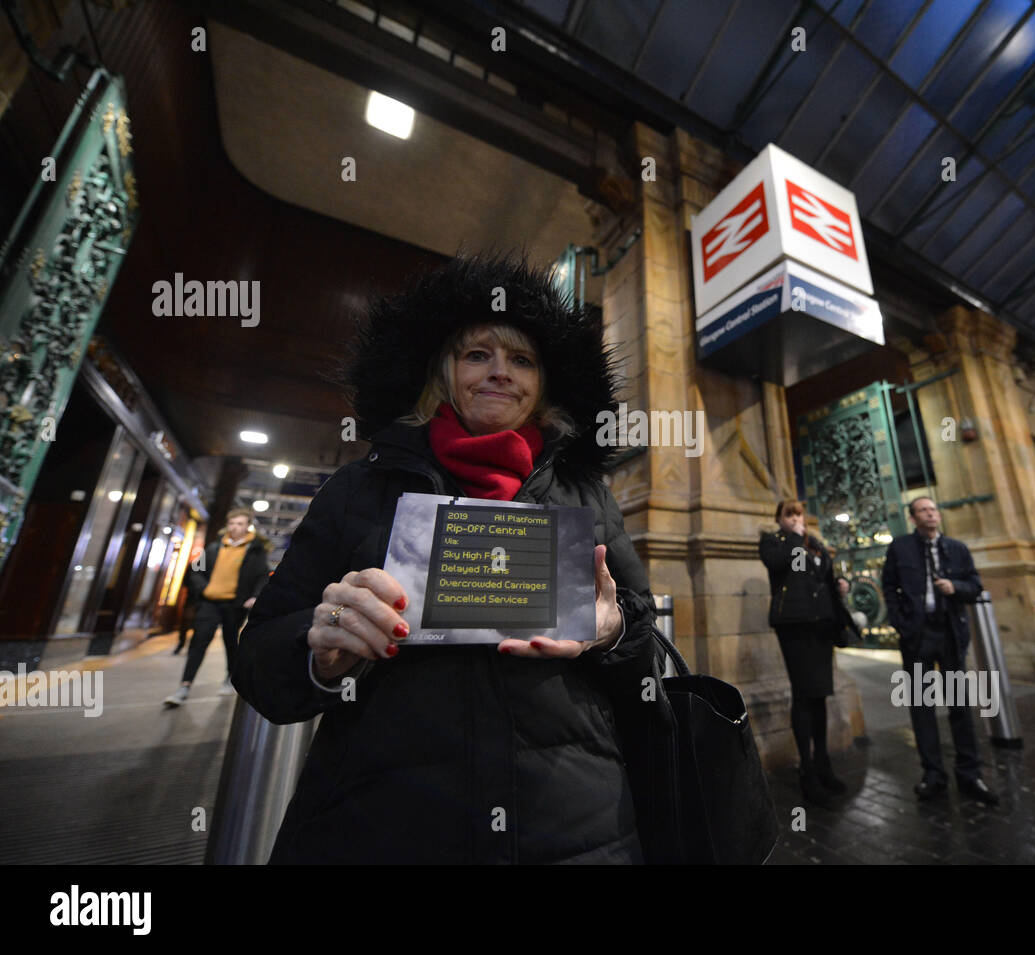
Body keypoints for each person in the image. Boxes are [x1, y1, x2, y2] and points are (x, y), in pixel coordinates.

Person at [233, 253, 669, 864]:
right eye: (477, 355)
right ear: (443, 372)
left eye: (522, 359)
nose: (500, 373)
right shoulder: (360, 490)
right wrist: (321, 647)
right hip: (383, 827)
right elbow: (258, 665)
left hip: (576, 829)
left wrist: (613, 630)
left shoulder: (587, 496)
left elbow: (648, 658)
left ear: (543, 383)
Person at [881, 496, 998, 805]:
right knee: (922, 708)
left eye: (934, 509)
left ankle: (970, 774)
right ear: (913, 518)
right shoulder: (901, 547)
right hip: (917, 636)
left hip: (949, 633)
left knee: (959, 706)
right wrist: (903, 625)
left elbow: (976, 585)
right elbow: (889, 587)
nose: (931, 514)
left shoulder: (957, 548)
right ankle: (933, 775)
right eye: (923, 510)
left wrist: (955, 587)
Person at [760, 500, 848, 805]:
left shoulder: (817, 545)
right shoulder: (774, 542)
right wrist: (796, 537)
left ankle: (824, 765)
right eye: (789, 514)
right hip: (795, 627)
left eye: (799, 514)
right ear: (780, 519)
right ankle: (807, 772)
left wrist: (838, 585)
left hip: (821, 625)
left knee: (820, 695)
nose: (797, 518)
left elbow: (823, 576)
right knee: (804, 694)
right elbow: (778, 564)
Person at [163, 509, 268, 706]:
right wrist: (204, 589)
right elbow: (195, 571)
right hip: (210, 603)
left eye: (240, 524)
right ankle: (184, 686)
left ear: (247, 526)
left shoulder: (255, 550)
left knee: (231, 642)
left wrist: (254, 596)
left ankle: (230, 677)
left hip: (235, 605)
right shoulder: (212, 548)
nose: (235, 527)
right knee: (198, 641)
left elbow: (262, 575)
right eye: (232, 523)